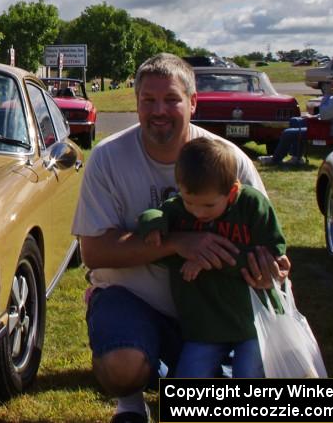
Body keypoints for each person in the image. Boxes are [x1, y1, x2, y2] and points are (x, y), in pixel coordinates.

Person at [72, 53, 290, 423]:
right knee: (122, 365)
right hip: (133, 298)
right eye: (148, 100)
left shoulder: (231, 161)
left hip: (214, 309)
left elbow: (269, 241)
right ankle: (131, 402)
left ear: (192, 102)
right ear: (136, 103)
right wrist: (176, 243)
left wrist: (272, 267)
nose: (159, 110)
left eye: (171, 99)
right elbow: (92, 251)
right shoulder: (108, 159)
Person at [136, 136, 286, 378]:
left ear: (232, 192)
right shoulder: (180, 209)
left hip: (251, 321)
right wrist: (154, 225)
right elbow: (155, 214)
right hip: (204, 327)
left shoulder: (252, 206)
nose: (197, 212)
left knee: (248, 373)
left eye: (208, 206)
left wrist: (205, 261)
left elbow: (272, 251)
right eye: (189, 202)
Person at [259, 69, 333, 165]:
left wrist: (327, 95)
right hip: (327, 126)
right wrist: (314, 116)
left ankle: (275, 159)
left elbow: (324, 114)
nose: (332, 83)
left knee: (288, 133)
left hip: (327, 130)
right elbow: (329, 114)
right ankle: (296, 157)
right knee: (295, 120)